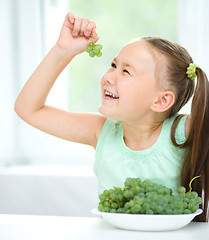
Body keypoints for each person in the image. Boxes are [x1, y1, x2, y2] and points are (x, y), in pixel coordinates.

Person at [15, 12, 209, 222]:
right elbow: (28, 109)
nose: (108, 76)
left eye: (126, 71)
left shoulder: (184, 132)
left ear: (161, 101)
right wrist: (63, 50)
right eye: (114, 65)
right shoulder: (101, 132)